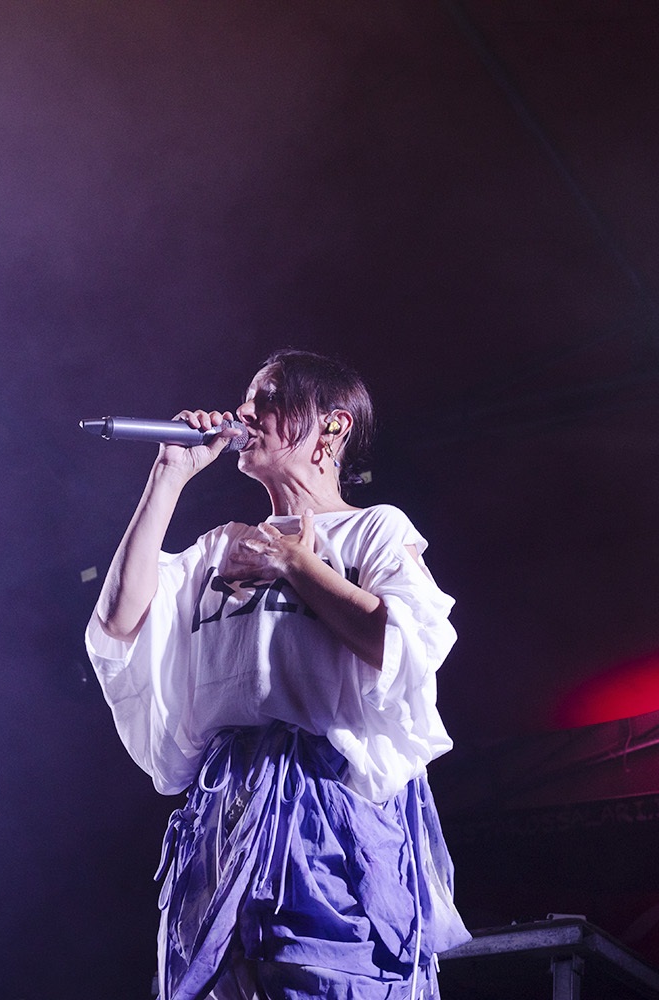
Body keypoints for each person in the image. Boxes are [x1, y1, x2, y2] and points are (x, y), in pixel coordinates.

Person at [85, 348, 471, 1000]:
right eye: (248, 398)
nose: (245, 412)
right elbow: (119, 622)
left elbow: (402, 643)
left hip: (329, 809)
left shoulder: (373, 531)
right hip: (226, 813)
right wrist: (169, 477)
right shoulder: (220, 546)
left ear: (333, 426)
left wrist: (297, 565)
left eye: (269, 398)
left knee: (326, 978)